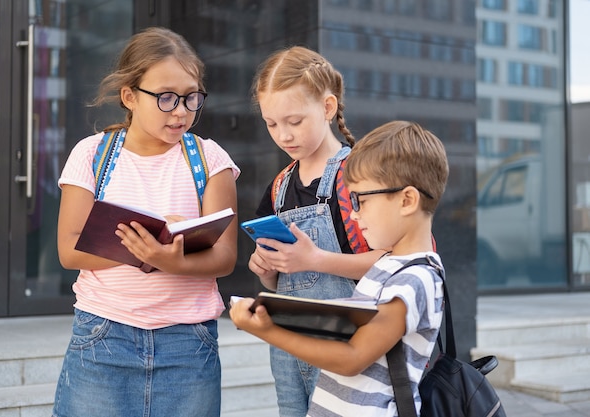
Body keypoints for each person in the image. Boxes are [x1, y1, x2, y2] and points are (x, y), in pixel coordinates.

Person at [53, 27, 239, 417]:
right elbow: (70, 250)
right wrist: (142, 250)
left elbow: (224, 258)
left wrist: (172, 260)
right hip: (103, 337)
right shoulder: (92, 154)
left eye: (192, 97)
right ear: (129, 96)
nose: (181, 111)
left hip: (189, 344)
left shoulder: (209, 159)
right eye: (166, 97)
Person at [231, 120, 449, 417]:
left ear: (407, 200)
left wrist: (267, 330)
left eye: (360, 201)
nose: (354, 215)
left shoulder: (415, 278)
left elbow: (353, 358)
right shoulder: (390, 267)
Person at [247, 46, 387, 416]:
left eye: (294, 121)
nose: (283, 135)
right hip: (290, 349)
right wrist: (268, 272)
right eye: (271, 123)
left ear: (327, 108)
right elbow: (283, 282)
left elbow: (395, 263)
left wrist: (316, 259)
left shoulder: (359, 175)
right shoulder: (279, 186)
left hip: (349, 347)